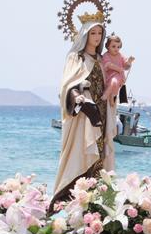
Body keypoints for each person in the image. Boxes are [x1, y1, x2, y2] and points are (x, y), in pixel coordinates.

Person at [53, 16, 116, 206]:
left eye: (99, 33)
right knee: (82, 152)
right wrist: (79, 95)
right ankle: (73, 199)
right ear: (84, 35)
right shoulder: (76, 57)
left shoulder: (101, 59)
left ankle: (97, 201)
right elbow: (67, 85)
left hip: (103, 111)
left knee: (101, 152)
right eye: (92, 33)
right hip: (84, 116)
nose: (97, 37)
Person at [101, 35, 135, 102]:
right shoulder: (106, 55)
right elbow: (108, 64)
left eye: (118, 47)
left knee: (114, 82)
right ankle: (108, 95)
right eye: (113, 46)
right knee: (113, 82)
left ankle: (112, 96)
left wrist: (129, 61)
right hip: (109, 76)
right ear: (108, 46)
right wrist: (119, 69)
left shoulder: (120, 55)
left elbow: (125, 66)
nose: (116, 49)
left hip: (119, 76)